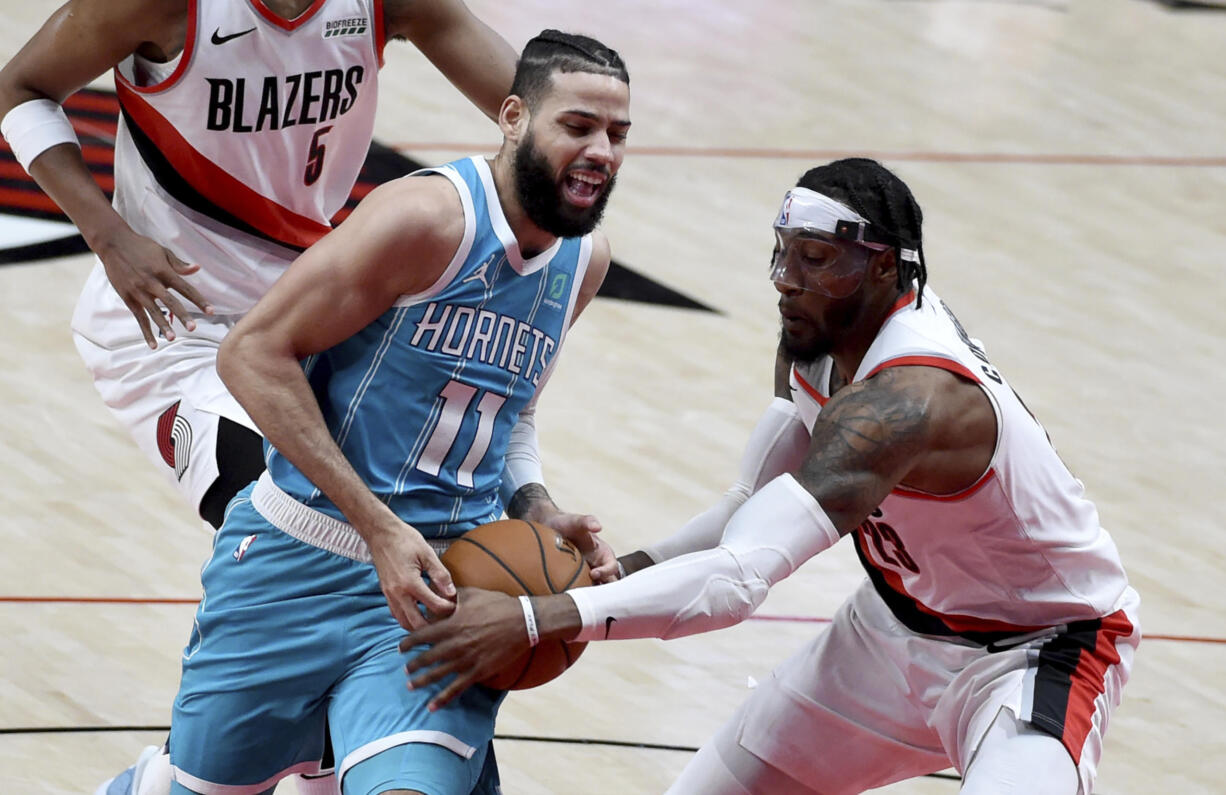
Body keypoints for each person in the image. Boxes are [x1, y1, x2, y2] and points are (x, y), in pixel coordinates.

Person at [402, 158, 1142, 795]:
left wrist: (541, 618)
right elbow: (751, 507)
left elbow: (737, 580)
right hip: (891, 628)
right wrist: (614, 575)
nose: (788, 280)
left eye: (817, 259)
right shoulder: (817, 339)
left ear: (886, 266)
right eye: (785, 253)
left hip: (1036, 647)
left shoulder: (907, 403)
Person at [0, 2, 517, 791]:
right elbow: (21, 87)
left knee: (395, 520)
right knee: (302, 513)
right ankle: (199, 761)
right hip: (173, 329)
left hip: (304, 320)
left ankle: (340, 750)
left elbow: (532, 110)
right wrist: (107, 234)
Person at [162, 29, 629, 794]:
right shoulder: (424, 219)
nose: (602, 150)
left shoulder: (585, 260)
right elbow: (251, 354)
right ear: (513, 116)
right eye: (577, 126)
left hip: (442, 590)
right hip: (294, 561)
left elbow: (511, 413)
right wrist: (378, 526)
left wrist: (536, 504)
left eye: (617, 133)